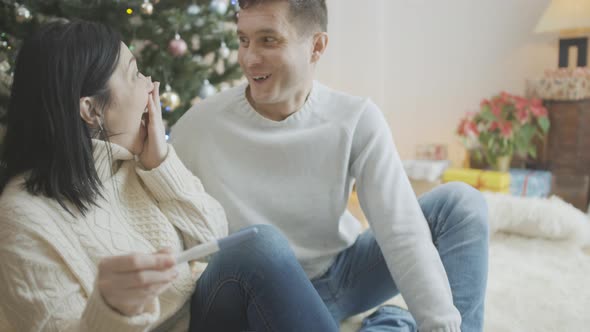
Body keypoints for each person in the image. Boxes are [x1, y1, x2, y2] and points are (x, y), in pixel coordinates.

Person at [170, 1, 489, 331]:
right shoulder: (199, 127)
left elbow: (401, 229)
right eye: (243, 40)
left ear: (317, 46)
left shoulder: (355, 119)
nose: (249, 58)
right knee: (259, 243)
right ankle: (393, 323)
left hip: (339, 276)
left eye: (268, 40)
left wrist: (440, 324)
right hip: (249, 287)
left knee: (461, 204)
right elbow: (157, 215)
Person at [0, 20, 339, 332]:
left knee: (353, 250)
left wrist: (160, 163)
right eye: (134, 75)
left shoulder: (135, 160)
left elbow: (211, 236)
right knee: (263, 248)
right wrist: (113, 308)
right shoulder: (22, 219)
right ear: (90, 109)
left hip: (205, 309)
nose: (151, 85)